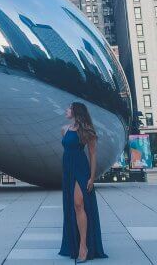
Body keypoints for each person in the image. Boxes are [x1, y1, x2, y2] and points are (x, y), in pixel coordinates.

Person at [59, 102, 107, 262]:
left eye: (69, 108)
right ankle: (75, 243)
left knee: (79, 204)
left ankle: (83, 246)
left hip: (81, 169)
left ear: (76, 112)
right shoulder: (64, 129)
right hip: (68, 170)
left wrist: (92, 177)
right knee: (72, 205)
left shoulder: (87, 131)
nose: (66, 110)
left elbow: (93, 154)